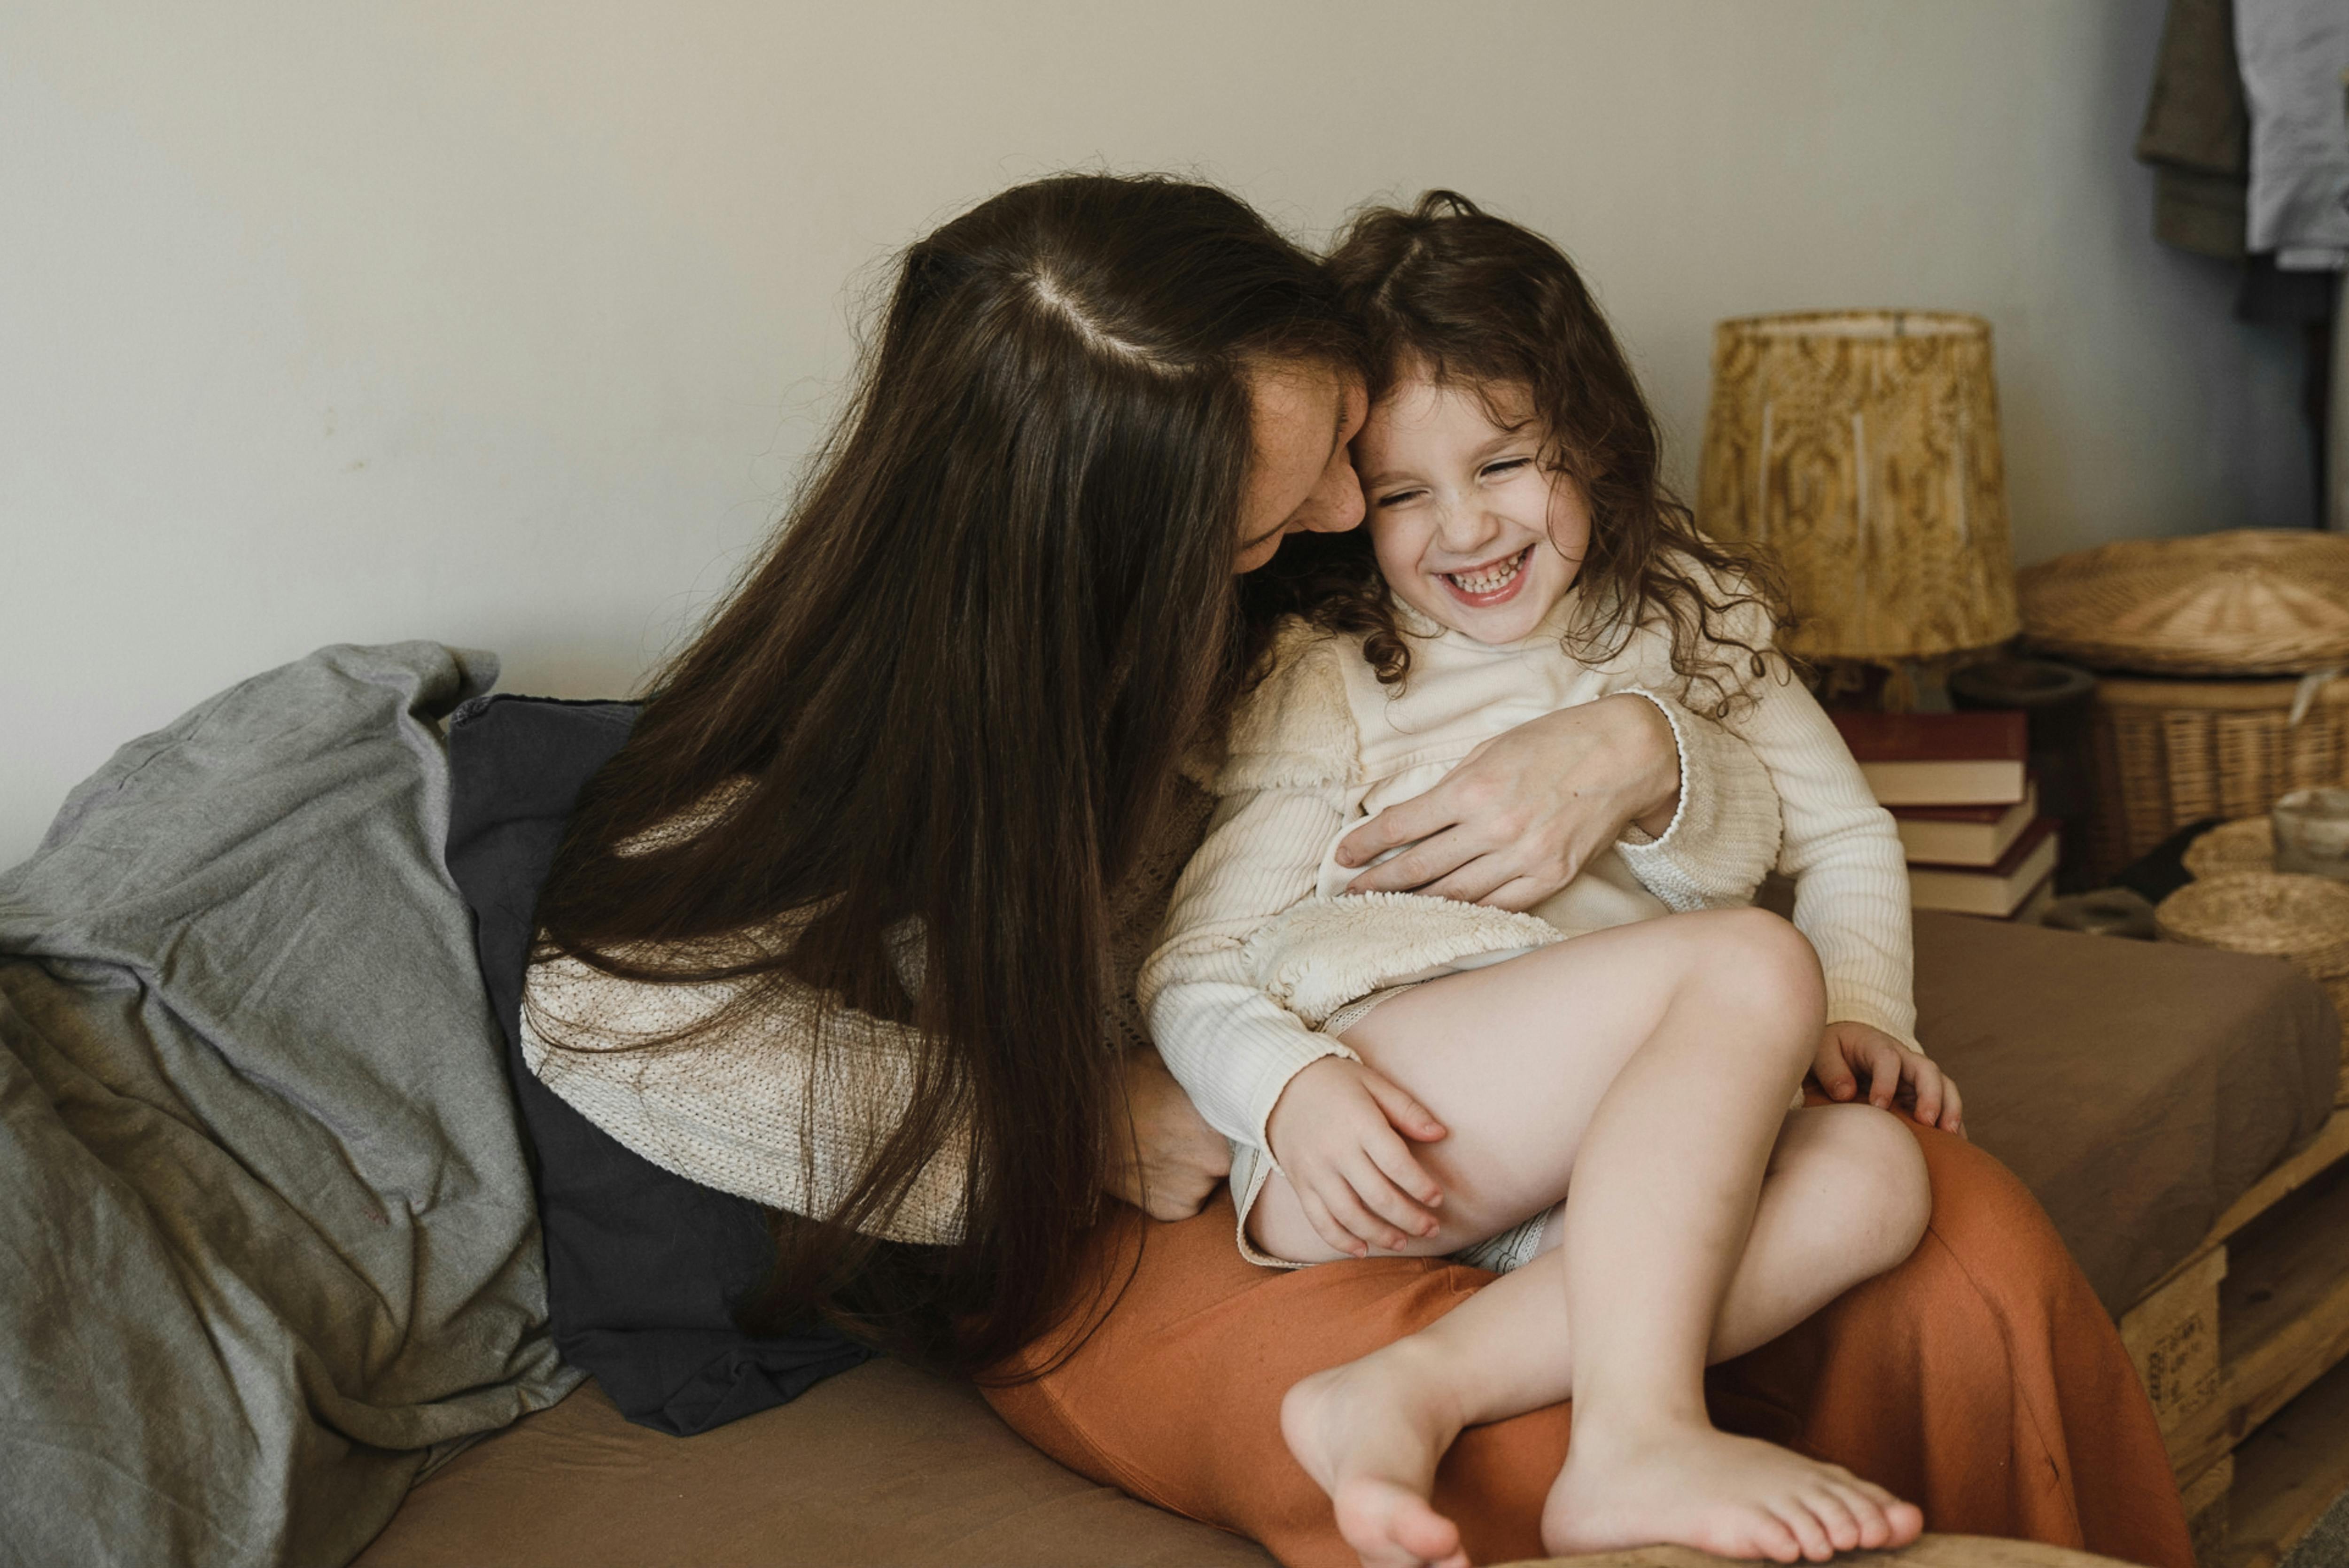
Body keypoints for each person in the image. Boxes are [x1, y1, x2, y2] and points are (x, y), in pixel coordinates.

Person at [515, 172, 2192, 1568]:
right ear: (1128, 542)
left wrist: (1642, 752)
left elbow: (1746, 770)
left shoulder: (1364, 562)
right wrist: (1070, 1114)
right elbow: (605, 1014)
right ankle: (1617, 1437)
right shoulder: (913, 730)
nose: (1350, 503)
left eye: (1346, 448)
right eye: (1310, 485)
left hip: (1499, 1082)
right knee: (1492, 1453)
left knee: (1923, 1212)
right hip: (1202, 1173)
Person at [1139, 190, 1953, 1568]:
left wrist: (1867, 1002)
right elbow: (1192, 966)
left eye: (1506, 462)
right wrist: (1287, 1089)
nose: (1461, 530)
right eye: (1402, 494)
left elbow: (1848, 837)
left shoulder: (1689, 614)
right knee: (1750, 963)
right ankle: (1637, 1441)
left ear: (1595, 436)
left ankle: (1409, 1385)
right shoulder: (1332, 675)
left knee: (1880, 1178)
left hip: (1576, 1152)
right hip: (1379, 1113)